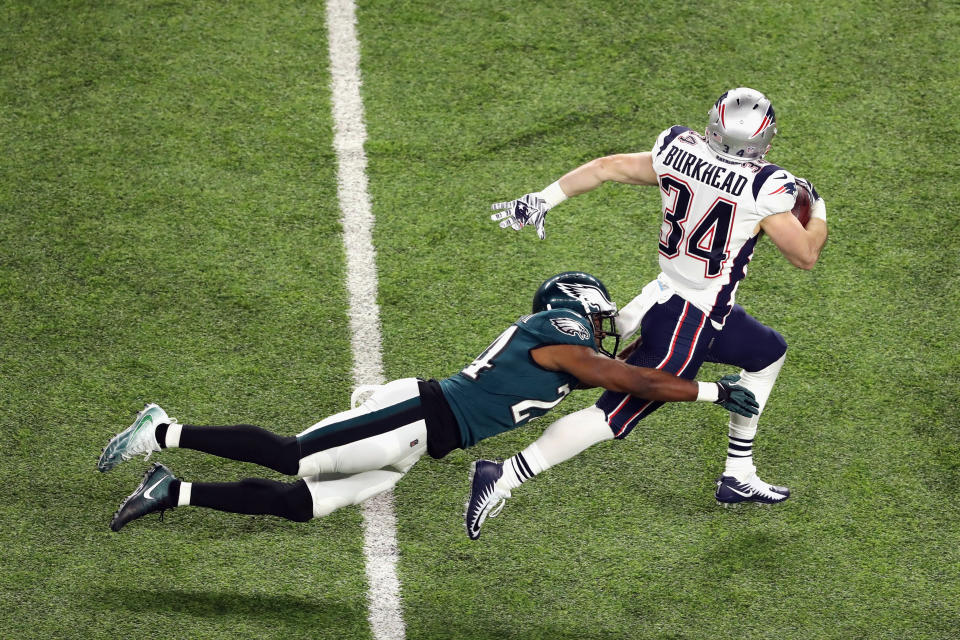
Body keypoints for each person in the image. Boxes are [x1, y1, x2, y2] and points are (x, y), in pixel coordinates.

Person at [98, 271, 759, 536]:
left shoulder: (575, 350)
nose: (609, 325)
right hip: (417, 413)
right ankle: (161, 431)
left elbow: (626, 375)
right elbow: (629, 379)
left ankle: (171, 492)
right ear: (579, 304)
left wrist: (681, 351)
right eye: (603, 314)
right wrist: (707, 391)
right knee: (294, 456)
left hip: (421, 443)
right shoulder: (562, 332)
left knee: (305, 504)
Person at [474, 87, 829, 536]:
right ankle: (502, 475)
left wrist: (543, 198)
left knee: (767, 353)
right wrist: (817, 207)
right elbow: (805, 255)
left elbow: (606, 168)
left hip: (672, 296)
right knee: (611, 416)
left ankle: (738, 474)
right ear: (765, 141)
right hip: (689, 316)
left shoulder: (678, 148)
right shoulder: (766, 186)